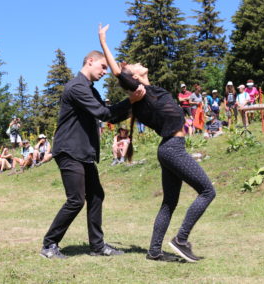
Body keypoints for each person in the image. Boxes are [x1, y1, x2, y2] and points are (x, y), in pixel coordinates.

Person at [100, 24, 216, 262]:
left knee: (169, 203)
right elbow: (117, 74)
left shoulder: (151, 90)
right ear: (134, 77)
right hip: (172, 149)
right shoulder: (141, 91)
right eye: (132, 65)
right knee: (207, 191)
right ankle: (181, 240)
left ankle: (154, 251)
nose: (136, 62)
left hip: (170, 149)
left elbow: (123, 73)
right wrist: (103, 40)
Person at [40, 48, 145, 260]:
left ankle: (97, 246)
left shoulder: (89, 89)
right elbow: (102, 113)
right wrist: (130, 101)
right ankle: (49, 244)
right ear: (90, 61)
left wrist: (135, 103)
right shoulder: (77, 87)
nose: (106, 72)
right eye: (103, 67)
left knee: (96, 195)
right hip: (69, 150)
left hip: (82, 151)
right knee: (76, 200)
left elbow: (110, 116)